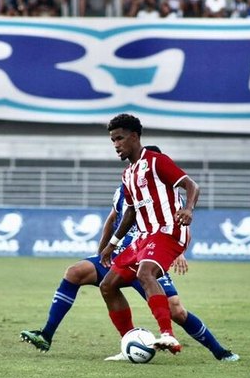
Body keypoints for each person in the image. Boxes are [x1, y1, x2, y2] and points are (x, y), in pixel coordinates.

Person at [21, 145, 238, 362]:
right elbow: (113, 218)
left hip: (151, 252)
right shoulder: (126, 186)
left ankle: (219, 351)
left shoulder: (165, 193)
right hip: (125, 252)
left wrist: (177, 253)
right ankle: (49, 334)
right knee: (77, 273)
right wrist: (106, 248)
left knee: (176, 311)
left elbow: (177, 225)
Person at [97, 114, 238, 359]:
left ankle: (167, 334)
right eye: (112, 141)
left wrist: (188, 209)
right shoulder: (128, 174)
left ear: (134, 137)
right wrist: (112, 244)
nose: (116, 145)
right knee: (108, 285)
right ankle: (129, 341)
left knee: (145, 274)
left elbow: (192, 185)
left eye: (119, 138)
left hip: (168, 231)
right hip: (144, 237)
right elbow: (130, 212)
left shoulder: (156, 161)